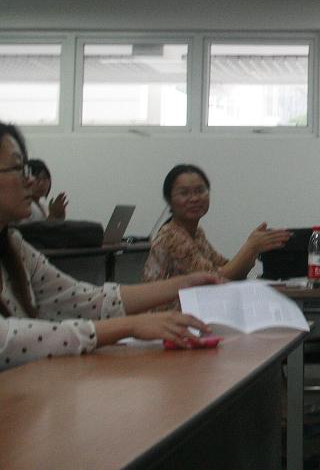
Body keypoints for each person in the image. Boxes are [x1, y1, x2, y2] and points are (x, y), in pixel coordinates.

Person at [0, 122, 219, 371]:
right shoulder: (173, 235)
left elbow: (84, 299)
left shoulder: (14, 246)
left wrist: (184, 284)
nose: (30, 180)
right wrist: (130, 326)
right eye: (18, 168)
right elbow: (9, 339)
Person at [142, 164, 291, 308]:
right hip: (166, 317)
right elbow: (215, 279)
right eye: (184, 193)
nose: (194, 198)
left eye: (200, 191)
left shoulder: (196, 233)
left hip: (194, 310)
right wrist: (251, 247)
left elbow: (227, 269)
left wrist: (254, 249)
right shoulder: (171, 236)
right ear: (169, 200)